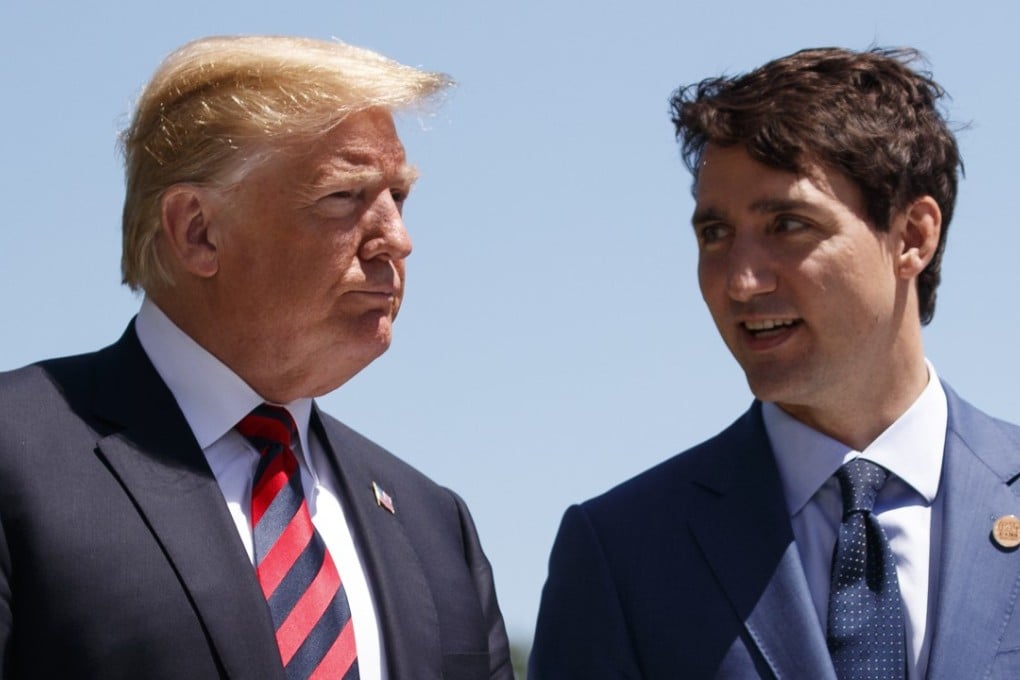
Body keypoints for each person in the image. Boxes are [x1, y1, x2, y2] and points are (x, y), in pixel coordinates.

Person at [0, 35, 512, 680]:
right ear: (198, 231)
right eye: (345, 197)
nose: (397, 241)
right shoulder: (18, 456)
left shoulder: (436, 527)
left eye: (398, 198)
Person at [530, 46, 1020, 679]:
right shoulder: (622, 552)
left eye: (788, 224)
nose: (740, 281)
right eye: (715, 234)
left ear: (913, 236)